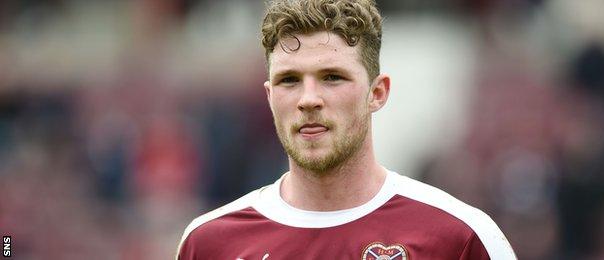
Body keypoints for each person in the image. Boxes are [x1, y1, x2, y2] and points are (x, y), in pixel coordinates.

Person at [176, 0, 517, 259]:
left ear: (377, 93)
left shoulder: (459, 237)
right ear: (269, 96)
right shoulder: (208, 243)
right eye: (289, 80)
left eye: (332, 78)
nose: (309, 100)